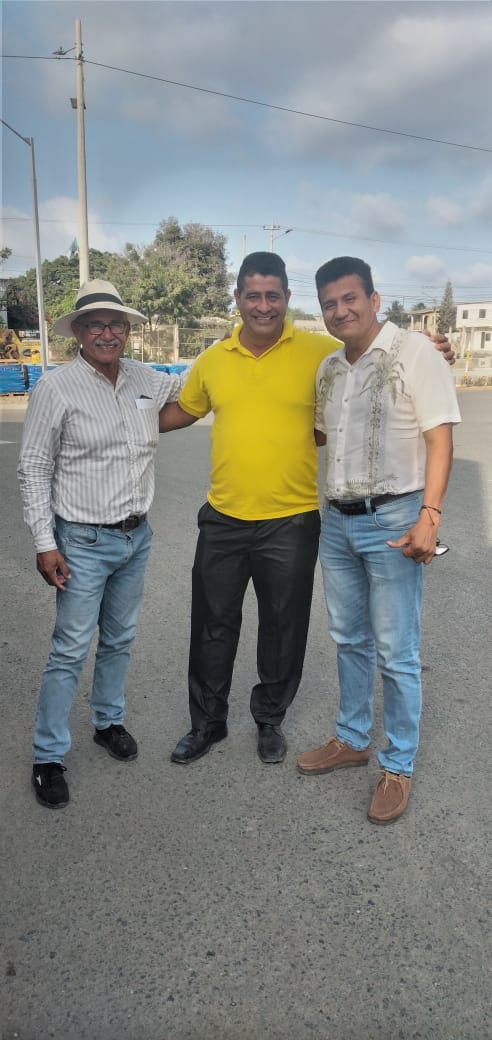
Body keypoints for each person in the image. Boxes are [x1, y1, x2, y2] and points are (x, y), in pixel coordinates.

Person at [159, 252, 455, 768]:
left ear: (288, 300)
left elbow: (380, 352)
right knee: (212, 626)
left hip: (293, 520)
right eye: (253, 295)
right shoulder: (215, 359)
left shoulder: (321, 352)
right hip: (224, 517)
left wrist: (429, 346)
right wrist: (118, 417)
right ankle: (206, 723)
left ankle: (270, 720)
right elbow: (184, 410)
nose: (263, 305)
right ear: (237, 299)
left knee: (285, 627)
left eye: (273, 295)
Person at [296, 256, 461, 824]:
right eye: (329, 304)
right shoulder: (329, 368)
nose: (340, 311)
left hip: (394, 520)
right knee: (348, 638)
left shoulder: (415, 353)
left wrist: (429, 516)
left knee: (396, 649)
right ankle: (351, 738)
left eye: (350, 298)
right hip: (337, 522)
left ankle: (398, 764)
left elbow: (440, 440)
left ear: (373, 299)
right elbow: (322, 433)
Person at [18, 279, 186, 809]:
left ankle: (107, 721)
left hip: (136, 537)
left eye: (116, 324)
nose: (107, 333)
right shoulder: (56, 388)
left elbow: (196, 388)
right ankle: (48, 756)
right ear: (79, 332)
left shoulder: (145, 378)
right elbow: (33, 468)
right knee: (70, 648)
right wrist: (45, 542)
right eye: (96, 325)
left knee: (119, 639)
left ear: (127, 331)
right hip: (82, 540)